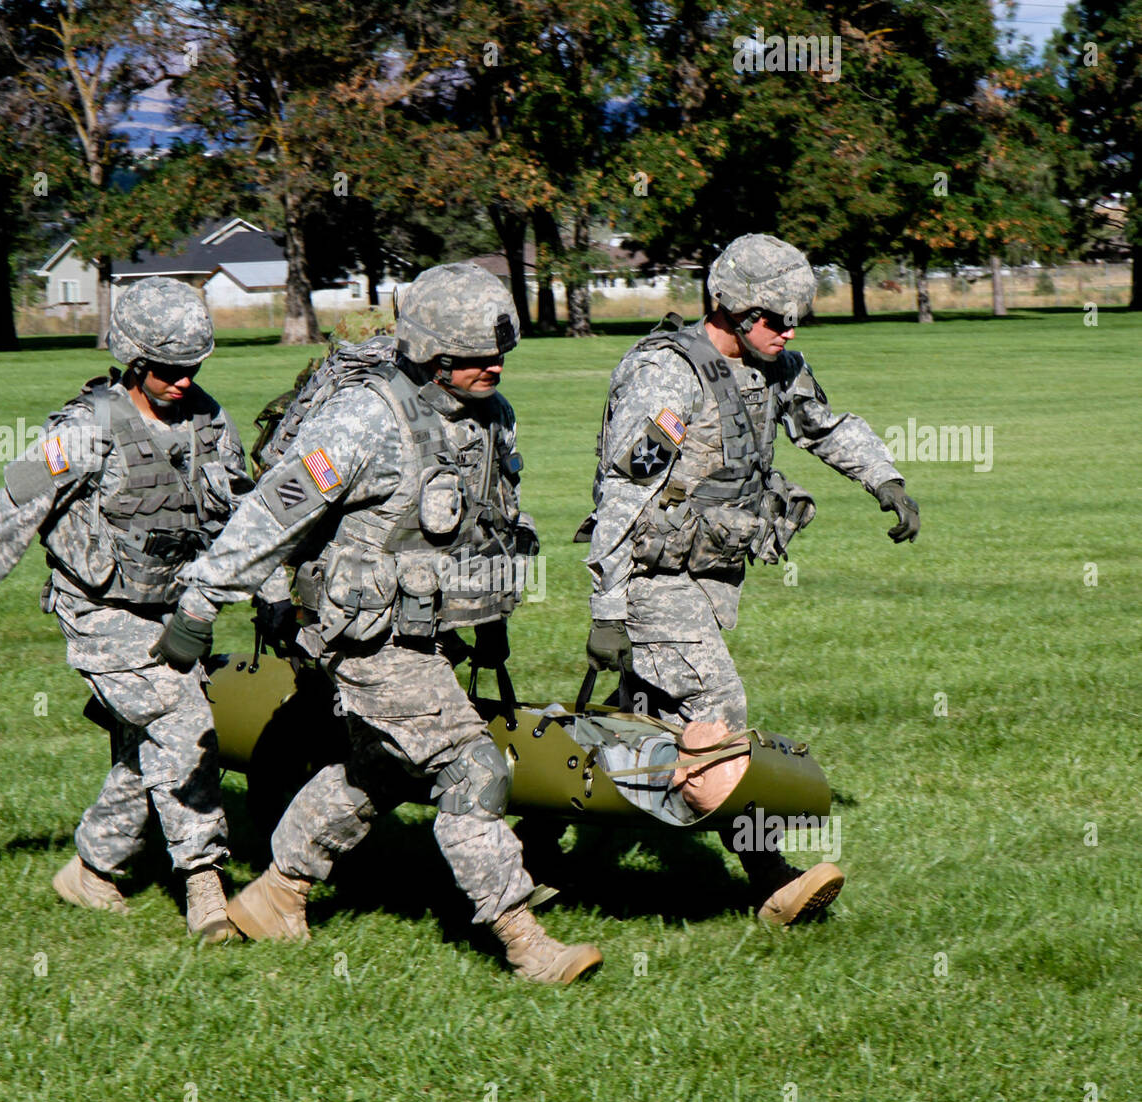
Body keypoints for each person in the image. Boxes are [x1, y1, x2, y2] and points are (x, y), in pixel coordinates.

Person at [153, 261, 602, 984]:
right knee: (470, 766)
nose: (493, 367)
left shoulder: (491, 416)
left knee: (378, 768)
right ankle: (523, 940)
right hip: (367, 635)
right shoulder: (366, 418)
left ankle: (277, 893)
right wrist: (201, 601)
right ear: (430, 351)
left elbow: (486, 525)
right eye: (475, 357)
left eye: (499, 355)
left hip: (430, 626)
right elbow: (272, 512)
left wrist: (490, 616)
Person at [582, 233, 921, 925]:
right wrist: (608, 608)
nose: (787, 329)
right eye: (773, 318)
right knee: (718, 710)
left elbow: (823, 427)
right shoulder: (668, 376)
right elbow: (623, 493)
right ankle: (770, 880)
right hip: (650, 577)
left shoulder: (777, 367)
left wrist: (884, 477)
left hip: (708, 575)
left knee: (636, 730)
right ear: (731, 309)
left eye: (795, 317)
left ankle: (540, 855)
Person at [0, 276, 251, 942]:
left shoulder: (211, 424)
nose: (182, 381)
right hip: (98, 611)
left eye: (192, 368)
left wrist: (271, 595)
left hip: (171, 612)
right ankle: (206, 887)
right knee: (184, 723)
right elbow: (17, 502)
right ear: (134, 359)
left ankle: (92, 869)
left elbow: (247, 520)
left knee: (144, 749)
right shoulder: (87, 428)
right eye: (167, 370)